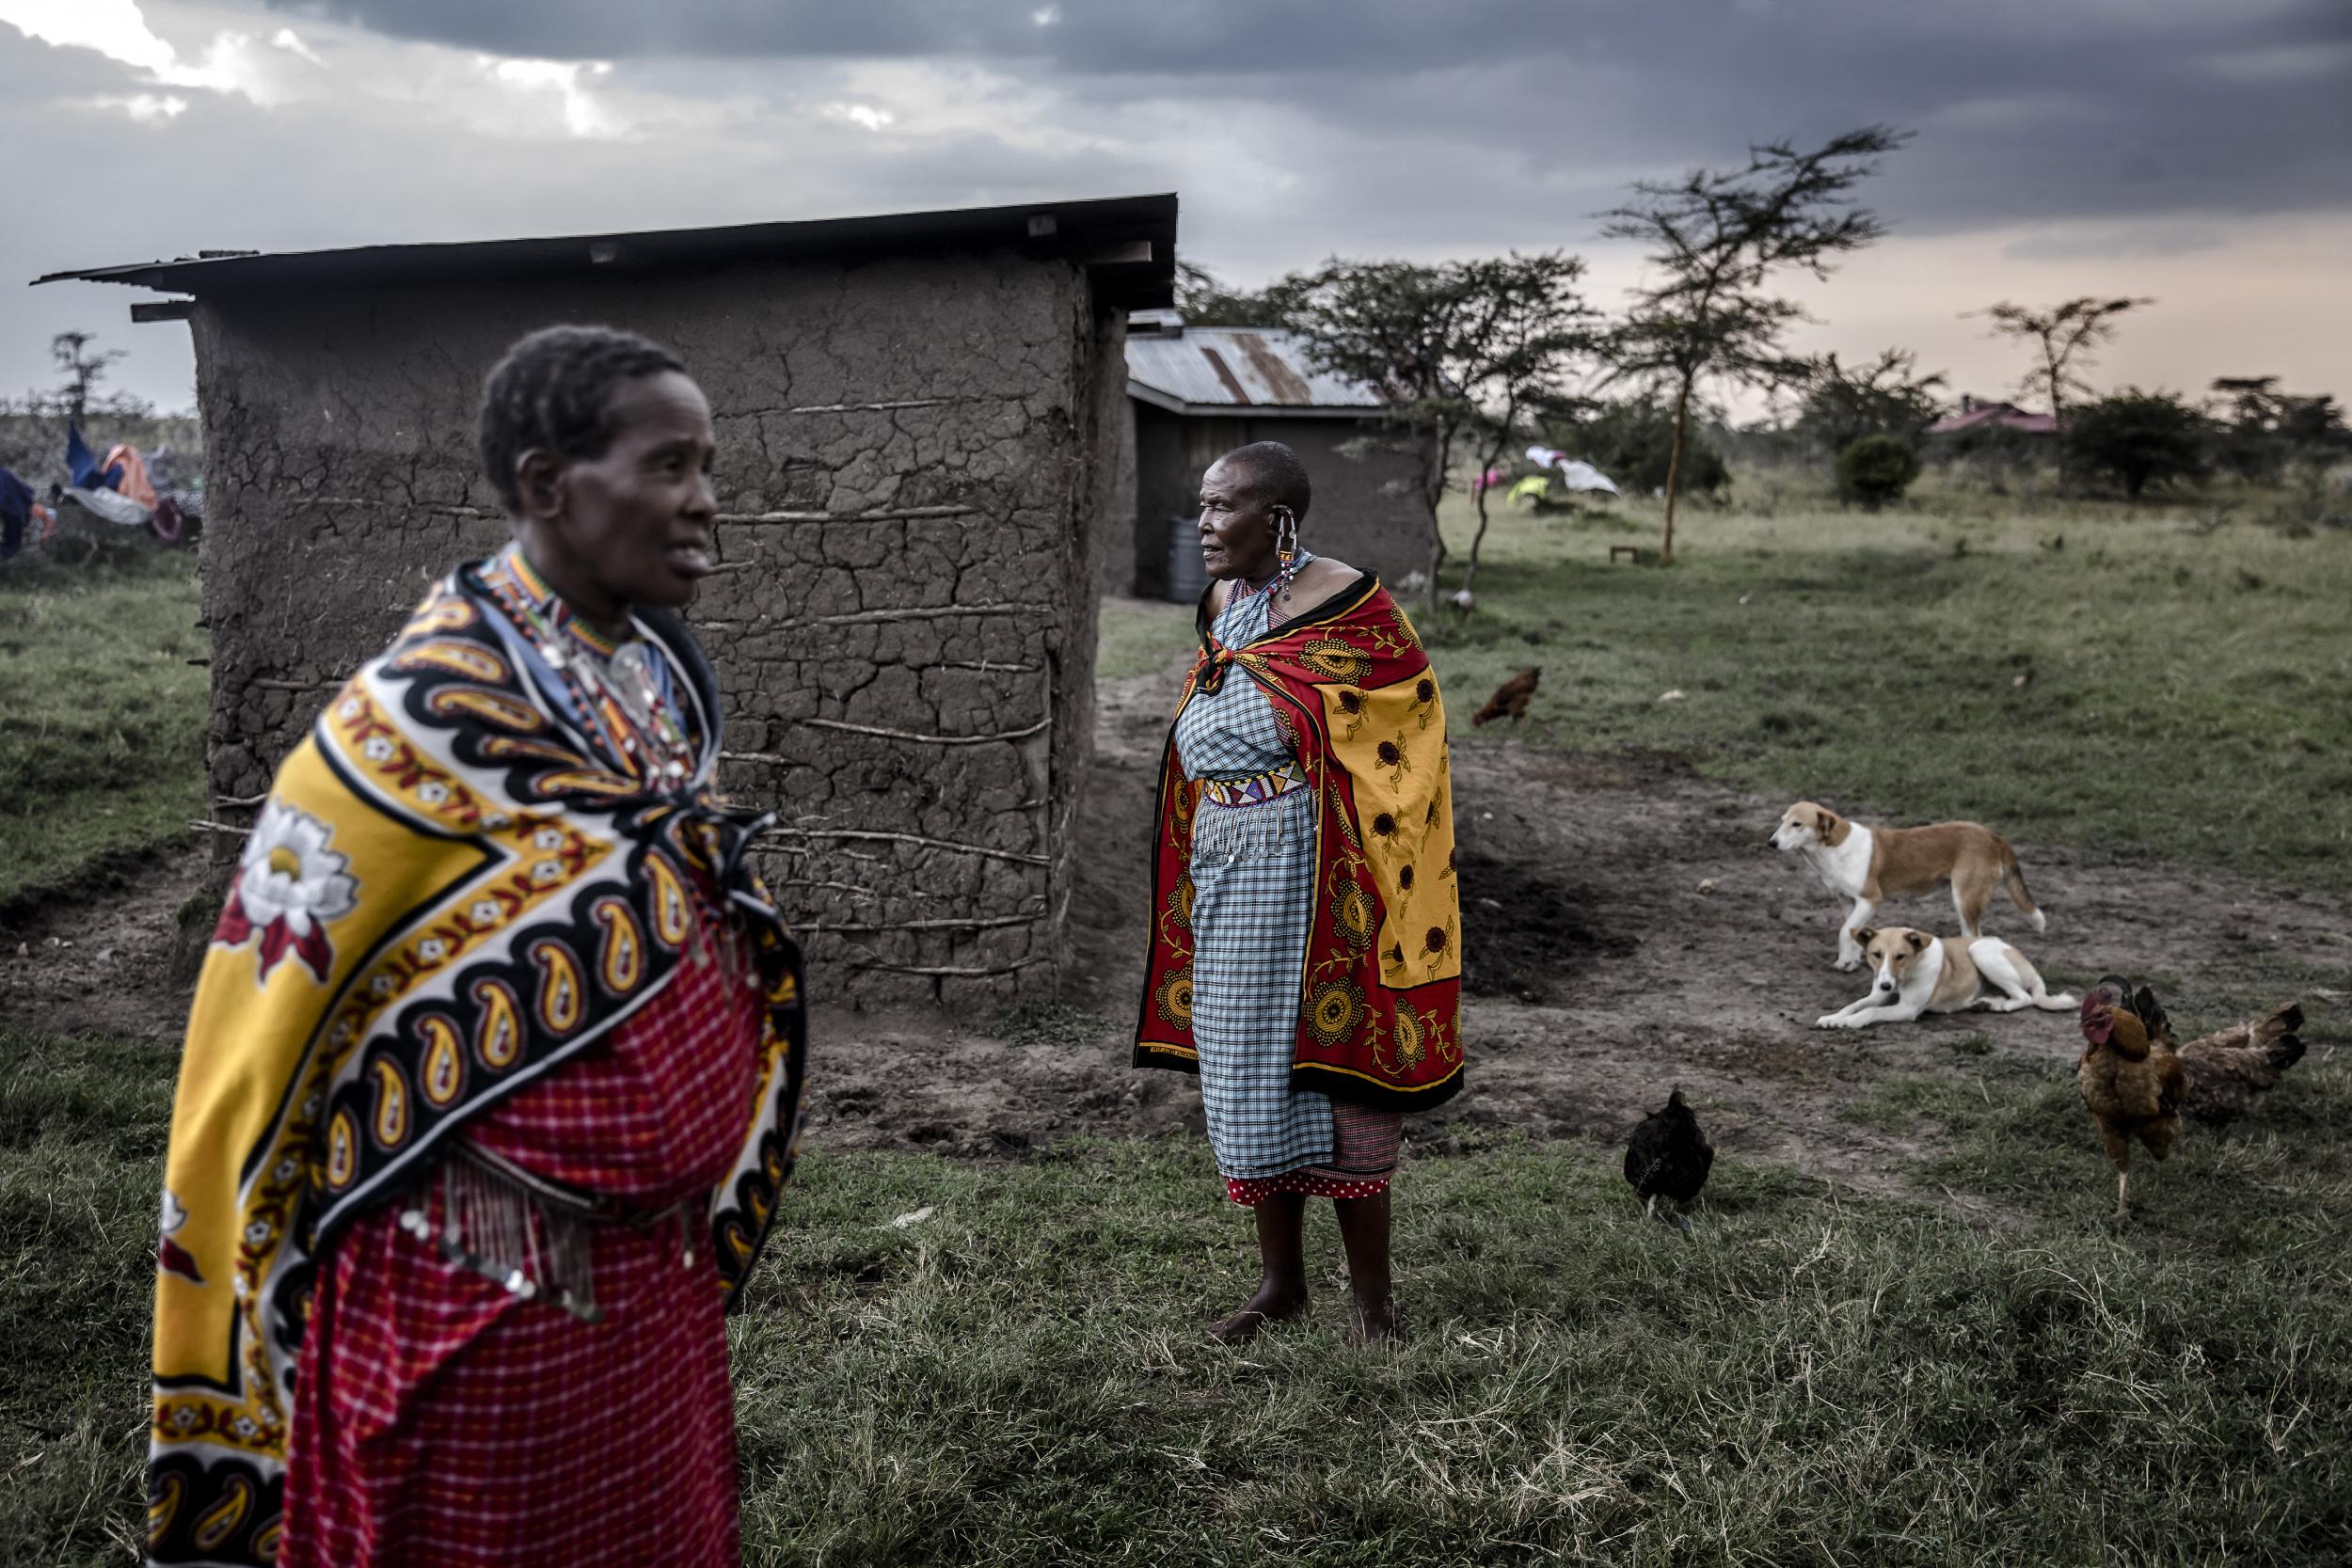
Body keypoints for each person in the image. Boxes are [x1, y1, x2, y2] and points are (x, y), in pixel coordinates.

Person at [144, 325, 809, 1568]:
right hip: (474, 1287)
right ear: (551, 483)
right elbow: (262, 1009)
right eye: (670, 464)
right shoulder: (415, 722)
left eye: (709, 462)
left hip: (642, 1274)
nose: (707, 499)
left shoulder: (650, 684)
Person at [1134, 441, 1465, 1346]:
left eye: (1220, 509)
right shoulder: (1222, 603)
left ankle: (1373, 1308)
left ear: (1277, 518)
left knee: (1336, 1074)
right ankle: (1281, 1283)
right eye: (1200, 508)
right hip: (1227, 870)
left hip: (1323, 874)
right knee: (1245, 1070)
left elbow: (1407, 723)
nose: (1202, 525)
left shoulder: (1351, 603)